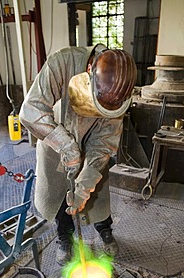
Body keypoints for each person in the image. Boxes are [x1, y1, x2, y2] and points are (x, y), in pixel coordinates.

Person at [19, 44, 137, 265]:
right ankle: (65, 238)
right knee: (61, 197)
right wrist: (65, 145)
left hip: (92, 144)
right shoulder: (63, 62)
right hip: (54, 139)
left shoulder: (117, 93)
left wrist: (85, 185)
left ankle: (105, 230)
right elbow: (30, 110)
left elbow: (103, 145)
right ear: (90, 69)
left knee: (96, 193)